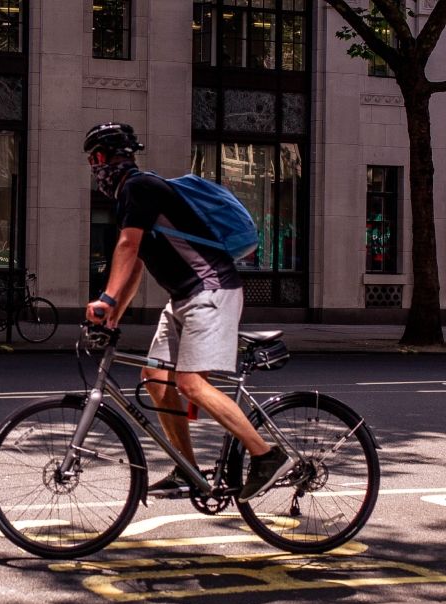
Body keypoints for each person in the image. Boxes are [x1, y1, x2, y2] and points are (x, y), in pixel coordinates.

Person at [82, 123, 294, 503]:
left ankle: (267, 455)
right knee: (156, 377)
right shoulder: (135, 195)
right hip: (185, 298)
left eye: (95, 160)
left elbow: (127, 247)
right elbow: (137, 265)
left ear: (108, 157)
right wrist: (115, 314)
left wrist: (106, 300)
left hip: (212, 291)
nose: (95, 169)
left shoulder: (138, 187)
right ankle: (187, 469)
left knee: (190, 383)